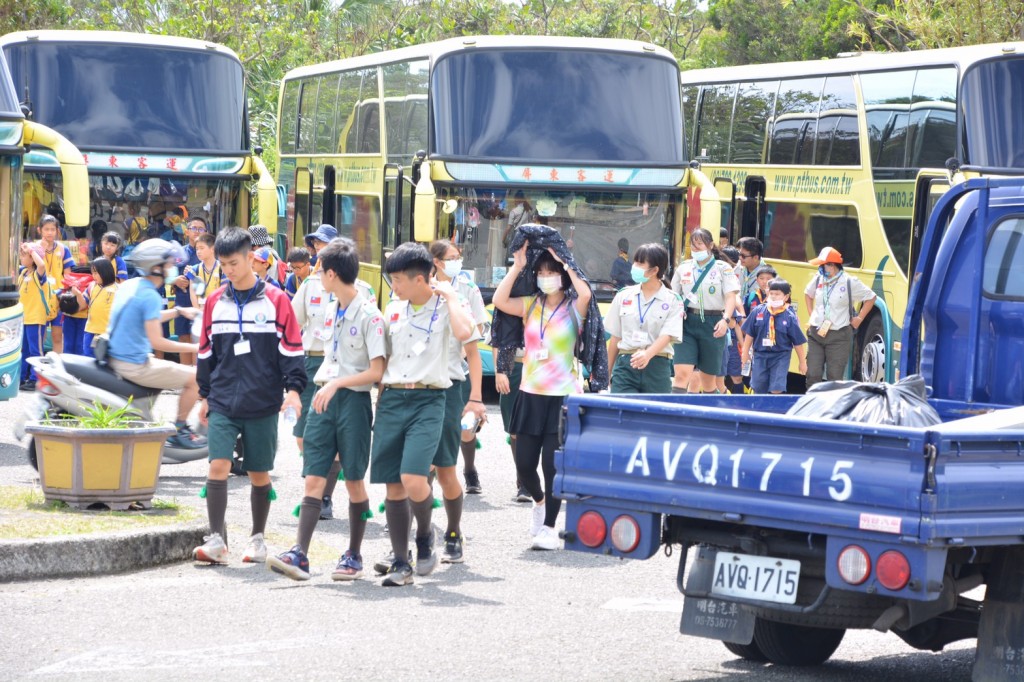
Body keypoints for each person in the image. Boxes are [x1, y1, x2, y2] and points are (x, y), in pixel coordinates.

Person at [266, 238, 385, 581]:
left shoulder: (370, 315)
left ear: (332, 274)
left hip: (353, 402)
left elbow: (376, 371)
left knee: (354, 483)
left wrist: (337, 384)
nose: (317, 274)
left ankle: (354, 554)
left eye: (320, 268)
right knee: (314, 477)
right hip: (323, 399)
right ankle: (299, 553)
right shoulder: (332, 309)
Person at [192, 227, 305, 565]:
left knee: (259, 473)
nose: (229, 270)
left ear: (252, 259)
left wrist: (294, 391)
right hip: (224, 399)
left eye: (235, 263)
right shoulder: (214, 301)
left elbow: (292, 350)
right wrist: (205, 395)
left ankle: (257, 539)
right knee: (218, 465)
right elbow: (205, 352)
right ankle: (216, 540)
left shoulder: (277, 300)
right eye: (224, 264)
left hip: (262, 401)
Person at [371, 242, 474, 586]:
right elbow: (382, 357)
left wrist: (453, 299)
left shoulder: (446, 308)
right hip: (392, 399)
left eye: (398, 280)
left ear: (420, 279)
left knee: (415, 478)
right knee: (392, 485)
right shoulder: (393, 310)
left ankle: (427, 535)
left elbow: (464, 335)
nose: (394, 287)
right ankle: (402, 562)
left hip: (430, 399)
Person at [493, 243, 592, 551]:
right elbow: (499, 300)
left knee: (552, 465)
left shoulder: (575, 306)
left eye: (551, 272)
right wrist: (517, 265)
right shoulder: (531, 303)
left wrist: (566, 261)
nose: (545, 277)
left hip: (562, 395)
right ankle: (538, 501)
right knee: (524, 464)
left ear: (561, 275)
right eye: (541, 273)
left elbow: (586, 293)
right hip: (530, 392)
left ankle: (550, 526)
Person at [105, 239, 206, 449]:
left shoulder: (133, 285)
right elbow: (157, 341)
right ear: (156, 268)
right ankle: (179, 429)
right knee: (196, 377)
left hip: (119, 356)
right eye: (169, 264)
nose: (172, 269)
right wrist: (197, 348)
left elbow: (146, 316)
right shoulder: (149, 295)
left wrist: (179, 311)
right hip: (134, 364)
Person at [427, 240, 486, 562]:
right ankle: (416, 540)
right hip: (416, 390)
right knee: (415, 470)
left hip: (452, 382)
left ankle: (452, 530)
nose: (457, 263)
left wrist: (475, 398)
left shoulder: (463, 292)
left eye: (458, 258)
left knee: (444, 466)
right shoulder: (410, 294)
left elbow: (474, 336)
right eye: (451, 259)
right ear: (434, 262)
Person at [605, 243, 683, 394]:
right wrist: (607, 372)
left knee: (655, 415)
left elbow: (667, 335)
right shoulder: (623, 295)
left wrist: (648, 354)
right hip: (626, 364)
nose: (634, 266)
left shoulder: (673, 299)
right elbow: (616, 337)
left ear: (654, 270)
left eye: (640, 263)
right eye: (635, 262)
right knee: (622, 412)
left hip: (657, 364)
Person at [670, 228, 739, 394]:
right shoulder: (684, 268)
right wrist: (678, 311)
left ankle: (713, 413)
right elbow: (673, 296)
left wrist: (726, 320)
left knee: (708, 381)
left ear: (710, 245)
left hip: (713, 324)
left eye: (699, 244)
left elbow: (731, 297)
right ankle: (675, 415)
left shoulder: (723, 268)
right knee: (681, 375)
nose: (695, 249)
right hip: (686, 324)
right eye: (692, 245)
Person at [804, 247, 877, 388]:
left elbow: (871, 297)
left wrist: (859, 318)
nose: (820, 268)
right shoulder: (818, 278)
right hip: (816, 334)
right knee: (813, 373)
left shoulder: (849, 282)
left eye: (823, 265)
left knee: (834, 377)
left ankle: (833, 408)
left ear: (832, 265)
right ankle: (813, 405)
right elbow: (808, 294)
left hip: (839, 336)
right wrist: (811, 313)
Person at [741, 279, 808, 394]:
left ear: (786, 297)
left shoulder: (789, 316)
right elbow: (750, 334)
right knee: (758, 384)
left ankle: (774, 409)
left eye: (777, 294)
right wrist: (745, 353)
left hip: (780, 355)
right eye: (771, 293)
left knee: (777, 386)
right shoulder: (758, 311)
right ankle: (759, 408)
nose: (773, 297)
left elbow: (797, 342)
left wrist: (802, 362)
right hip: (760, 354)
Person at [17, 243, 55, 390]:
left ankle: (35, 379)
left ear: (32, 258)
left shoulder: (38, 275)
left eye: (23, 255)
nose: (21, 257)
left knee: (36, 350)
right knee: (23, 350)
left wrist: (31, 251)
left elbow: (41, 265)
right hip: (24, 318)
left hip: (36, 319)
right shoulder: (23, 273)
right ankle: (22, 377)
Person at [35, 214, 75, 354]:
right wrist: (41, 250)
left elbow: (68, 275)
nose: (50, 232)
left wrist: (66, 293)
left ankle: (58, 365)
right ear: (40, 230)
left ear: (57, 231)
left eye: (53, 229)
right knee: (40, 335)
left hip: (58, 297)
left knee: (57, 336)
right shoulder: (34, 248)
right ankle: (40, 367)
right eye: (46, 229)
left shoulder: (63, 249)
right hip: (40, 297)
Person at [171, 217, 205, 366]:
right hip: (182, 300)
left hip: (201, 302)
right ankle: (185, 377)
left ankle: (196, 377)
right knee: (184, 338)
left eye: (201, 229)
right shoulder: (179, 253)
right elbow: (166, 274)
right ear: (187, 231)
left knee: (198, 338)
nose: (197, 231)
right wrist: (175, 280)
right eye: (194, 228)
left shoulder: (208, 253)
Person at [75, 258, 118, 357]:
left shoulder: (118, 289)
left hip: (107, 334)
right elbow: (82, 305)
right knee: (88, 360)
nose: (93, 276)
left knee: (105, 362)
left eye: (96, 273)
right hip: (90, 330)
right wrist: (77, 294)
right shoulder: (91, 286)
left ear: (104, 272)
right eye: (92, 273)